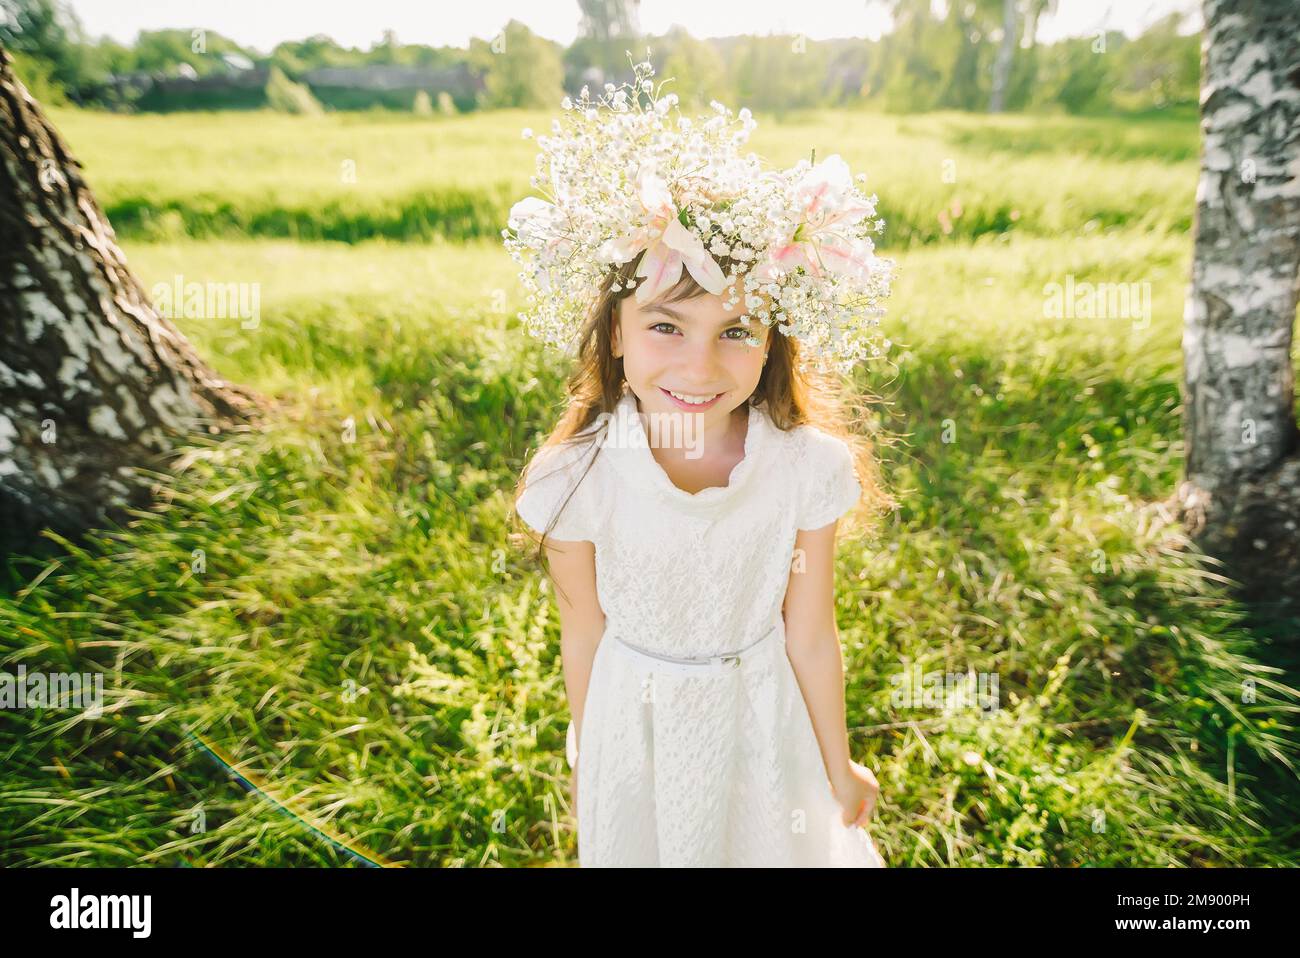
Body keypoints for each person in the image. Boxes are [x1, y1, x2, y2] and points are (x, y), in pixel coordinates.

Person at [506, 59, 897, 867]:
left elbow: (812, 632)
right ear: (614, 333)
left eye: (735, 332)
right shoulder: (575, 476)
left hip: (762, 718)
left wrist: (838, 761)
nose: (699, 367)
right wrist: (592, 753)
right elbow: (583, 627)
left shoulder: (802, 468)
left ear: (773, 343)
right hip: (634, 727)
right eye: (665, 328)